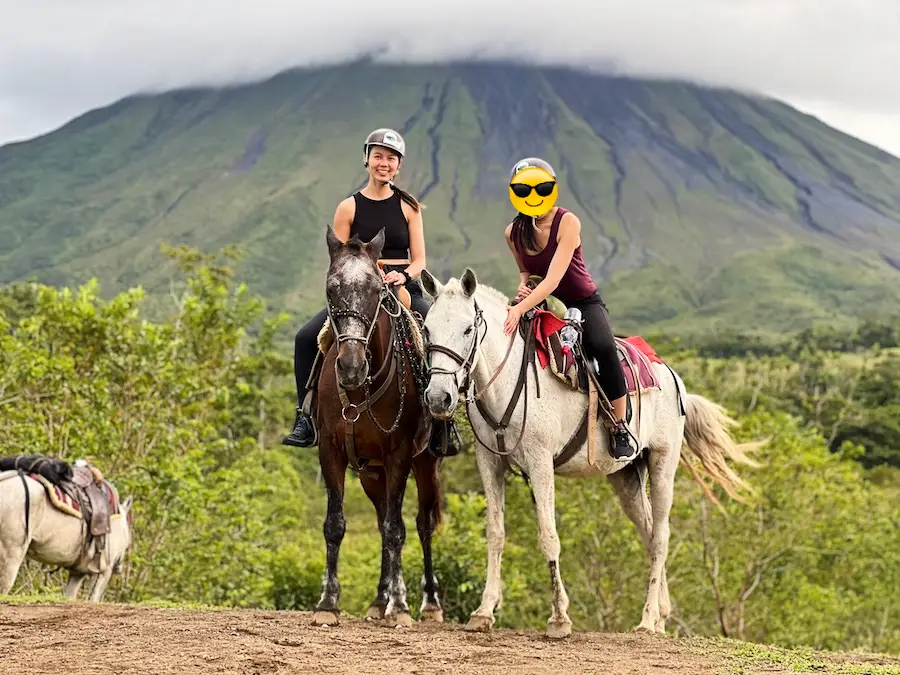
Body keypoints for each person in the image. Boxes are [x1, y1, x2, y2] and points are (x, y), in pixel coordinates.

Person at [282, 128, 460, 457]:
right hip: (359, 290)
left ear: (398, 166)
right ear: (367, 159)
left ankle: (442, 423)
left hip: (402, 285)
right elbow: (338, 261)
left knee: (432, 333)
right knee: (305, 338)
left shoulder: (409, 207)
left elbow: (420, 260)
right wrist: (367, 273)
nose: (384, 163)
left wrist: (401, 275)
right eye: (378, 156)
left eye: (391, 158)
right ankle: (305, 418)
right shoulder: (348, 207)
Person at [502, 157, 637, 461]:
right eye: (524, 188)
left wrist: (521, 305)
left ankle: (619, 425)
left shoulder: (568, 222)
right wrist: (522, 288)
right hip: (543, 299)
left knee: (603, 346)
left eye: (541, 187)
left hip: (582, 301)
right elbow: (528, 272)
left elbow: (553, 278)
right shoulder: (513, 232)